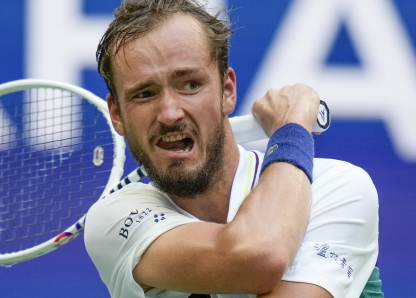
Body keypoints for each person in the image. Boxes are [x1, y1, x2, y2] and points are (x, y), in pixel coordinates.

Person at [84, 0, 382, 297]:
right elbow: (258, 256)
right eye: (145, 93)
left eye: (190, 85)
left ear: (227, 91)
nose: (170, 113)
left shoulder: (337, 187)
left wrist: (290, 132)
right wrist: (293, 129)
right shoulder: (113, 218)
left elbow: (259, 256)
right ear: (118, 115)